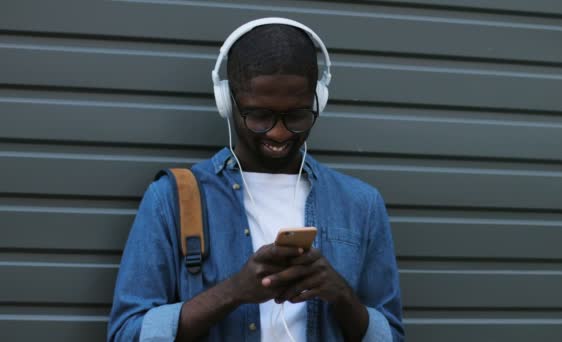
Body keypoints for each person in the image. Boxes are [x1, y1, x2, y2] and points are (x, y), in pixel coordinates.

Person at [107, 18, 404, 342]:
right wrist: (234, 292)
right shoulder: (171, 199)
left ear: (320, 99)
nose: (278, 133)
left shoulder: (360, 204)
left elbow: (391, 335)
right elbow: (126, 334)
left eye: (297, 116)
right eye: (259, 115)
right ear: (226, 102)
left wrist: (343, 297)